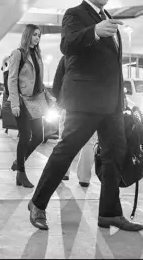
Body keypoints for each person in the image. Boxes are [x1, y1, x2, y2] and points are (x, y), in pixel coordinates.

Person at [28, 0, 143, 232]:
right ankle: (37, 203)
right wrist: (94, 31)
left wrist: (122, 99)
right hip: (85, 101)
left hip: (112, 104)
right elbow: (67, 45)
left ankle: (110, 213)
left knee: (114, 155)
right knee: (66, 151)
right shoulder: (76, 14)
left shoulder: (108, 19)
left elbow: (112, 66)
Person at [8, 24, 53, 188]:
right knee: (25, 135)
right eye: (34, 35)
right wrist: (14, 103)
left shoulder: (37, 55)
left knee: (40, 135)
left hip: (36, 101)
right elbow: (11, 79)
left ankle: (19, 161)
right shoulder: (18, 54)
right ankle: (21, 173)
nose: (37, 38)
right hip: (21, 101)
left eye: (39, 35)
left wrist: (49, 97)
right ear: (28, 35)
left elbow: (39, 82)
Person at [53, 55, 97, 186]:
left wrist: (62, 101)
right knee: (89, 142)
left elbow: (57, 83)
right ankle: (84, 178)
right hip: (92, 107)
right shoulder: (99, 56)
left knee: (64, 140)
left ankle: (63, 172)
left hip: (70, 106)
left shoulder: (68, 56)